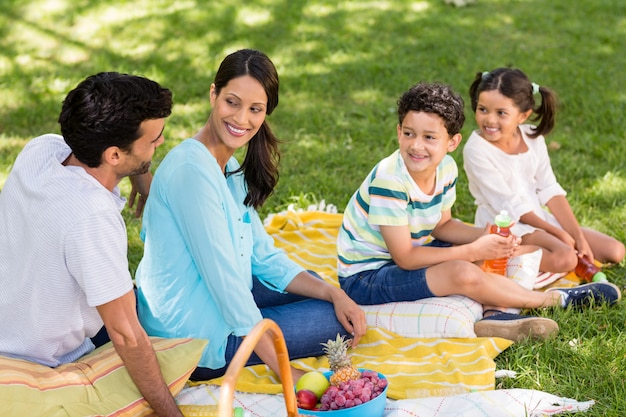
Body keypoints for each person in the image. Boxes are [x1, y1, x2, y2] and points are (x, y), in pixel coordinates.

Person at [135, 49, 367, 383]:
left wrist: (335, 292)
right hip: (191, 337)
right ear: (214, 94)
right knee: (330, 321)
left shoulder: (229, 167)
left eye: (255, 109)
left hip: (216, 300)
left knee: (326, 293)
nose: (242, 119)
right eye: (232, 102)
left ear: (265, 112)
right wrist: (285, 370)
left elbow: (261, 254)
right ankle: (259, 337)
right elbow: (225, 283)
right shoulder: (191, 171)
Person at [336, 81, 621, 342]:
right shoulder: (390, 181)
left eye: (429, 137)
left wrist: (484, 236)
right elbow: (406, 258)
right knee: (462, 269)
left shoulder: (445, 168)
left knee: (490, 254)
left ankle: (495, 315)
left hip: (402, 259)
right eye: (408, 134)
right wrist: (472, 251)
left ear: (452, 142)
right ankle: (553, 300)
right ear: (399, 132)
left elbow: (442, 226)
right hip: (367, 278)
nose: (416, 145)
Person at [0, 73, 184, 416]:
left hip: (10, 320)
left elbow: (104, 143)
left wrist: (141, 178)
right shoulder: (91, 218)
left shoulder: (42, 150)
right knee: (191, 334)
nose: (159, 144)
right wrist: (171, 413)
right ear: (114, 155)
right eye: (155, 140)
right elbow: (126, 335)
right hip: (41, 356)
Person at [463, 68, 625, 274]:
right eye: (482, 109)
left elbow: (549, 188)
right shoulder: (476, 149)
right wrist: (556, 233)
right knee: (566, 258)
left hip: (538, 219)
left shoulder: (532, 136)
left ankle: (537, 250)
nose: (489, 120)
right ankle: (498, 252)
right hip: (507, 224)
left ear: (523, 116)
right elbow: (511, 206)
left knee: (616, 251)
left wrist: (577, 236)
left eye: (501, 113)